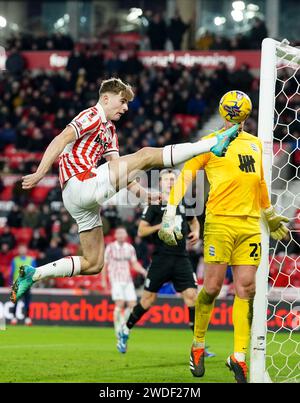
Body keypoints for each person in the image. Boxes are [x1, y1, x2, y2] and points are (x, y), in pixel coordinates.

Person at [11, 77, 239, 304]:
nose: (126, 107)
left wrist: (144, 193)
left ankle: (34, 274)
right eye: (122, 102)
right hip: (80, 182)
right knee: (146, 154)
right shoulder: (91, 115)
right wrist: (41, 172)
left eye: (127, 103)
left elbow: (120, 173)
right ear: (106, 98)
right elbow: (60, 139)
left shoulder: (109, 131)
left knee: (93, 263)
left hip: (81, 199)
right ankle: (211, 144)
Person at [158, 91, 289, 383]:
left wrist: (268, 212)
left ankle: (239, 356)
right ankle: (198, 344)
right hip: (219, 223)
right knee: (213, 287)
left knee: (247, 288)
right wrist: (169, 211)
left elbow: (260, 183)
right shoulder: (210, 144)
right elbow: (186, 175)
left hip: (250, 225)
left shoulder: (255, 144)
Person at [118, 169, 215, 356]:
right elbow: (141, 231)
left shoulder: (185, 202)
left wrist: (196, 231)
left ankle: (198, 345)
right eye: (167, 180)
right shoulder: (155, 203)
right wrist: (159, 226)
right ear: (160, 183)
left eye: (173, 179)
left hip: (181, 257)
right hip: (161, 258)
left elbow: (194, 221)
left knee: (192, 297)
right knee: (147, 301)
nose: (170, 183)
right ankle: (125, 329)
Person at [101, 227, 147, 352]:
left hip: (127, 280)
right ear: (115, 235)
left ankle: (123, 327)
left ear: (126, 235)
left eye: (123, 233)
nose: (121, 235)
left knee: (133, 305)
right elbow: (105, 264)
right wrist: (103, 280)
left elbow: (134, 263)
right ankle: (118, 332)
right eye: (119, 233)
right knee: (120, 303)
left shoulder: (130, 248)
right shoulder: (110, 248)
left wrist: (143, 271)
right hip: (115, 279)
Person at [10, 244, 36, 325]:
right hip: (17, 284)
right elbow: (12, 272)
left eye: (23, 249)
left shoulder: (31, 260)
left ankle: (27, 318)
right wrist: (11, 283)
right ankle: (14, 318)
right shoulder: (15, 260)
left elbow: (35, 272)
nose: (22, 251)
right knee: (15, 301)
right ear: (18, 250)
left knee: (27, 302)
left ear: (26, 250)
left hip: (27, 284)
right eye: (20, 249)